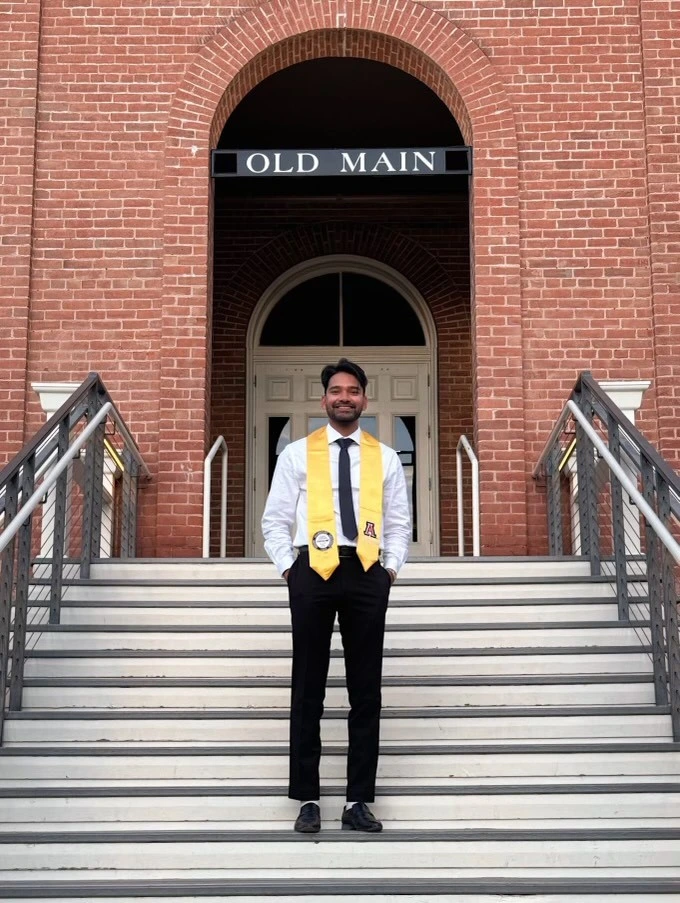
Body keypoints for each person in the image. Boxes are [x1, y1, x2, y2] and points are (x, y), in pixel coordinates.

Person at [261, 357, 411, 833]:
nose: (345, 397)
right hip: (313, 571)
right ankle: (308, 797)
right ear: (323, 399)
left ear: (364, 398)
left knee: (365, 690)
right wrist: (290, 568)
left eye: (353, 391)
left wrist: (389, 570)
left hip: (366, 572)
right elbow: (275, 519)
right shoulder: (297, 453)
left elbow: (398, 522)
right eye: (336, 391)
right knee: (308, 686)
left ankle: (356, 802)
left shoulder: (384, 456)